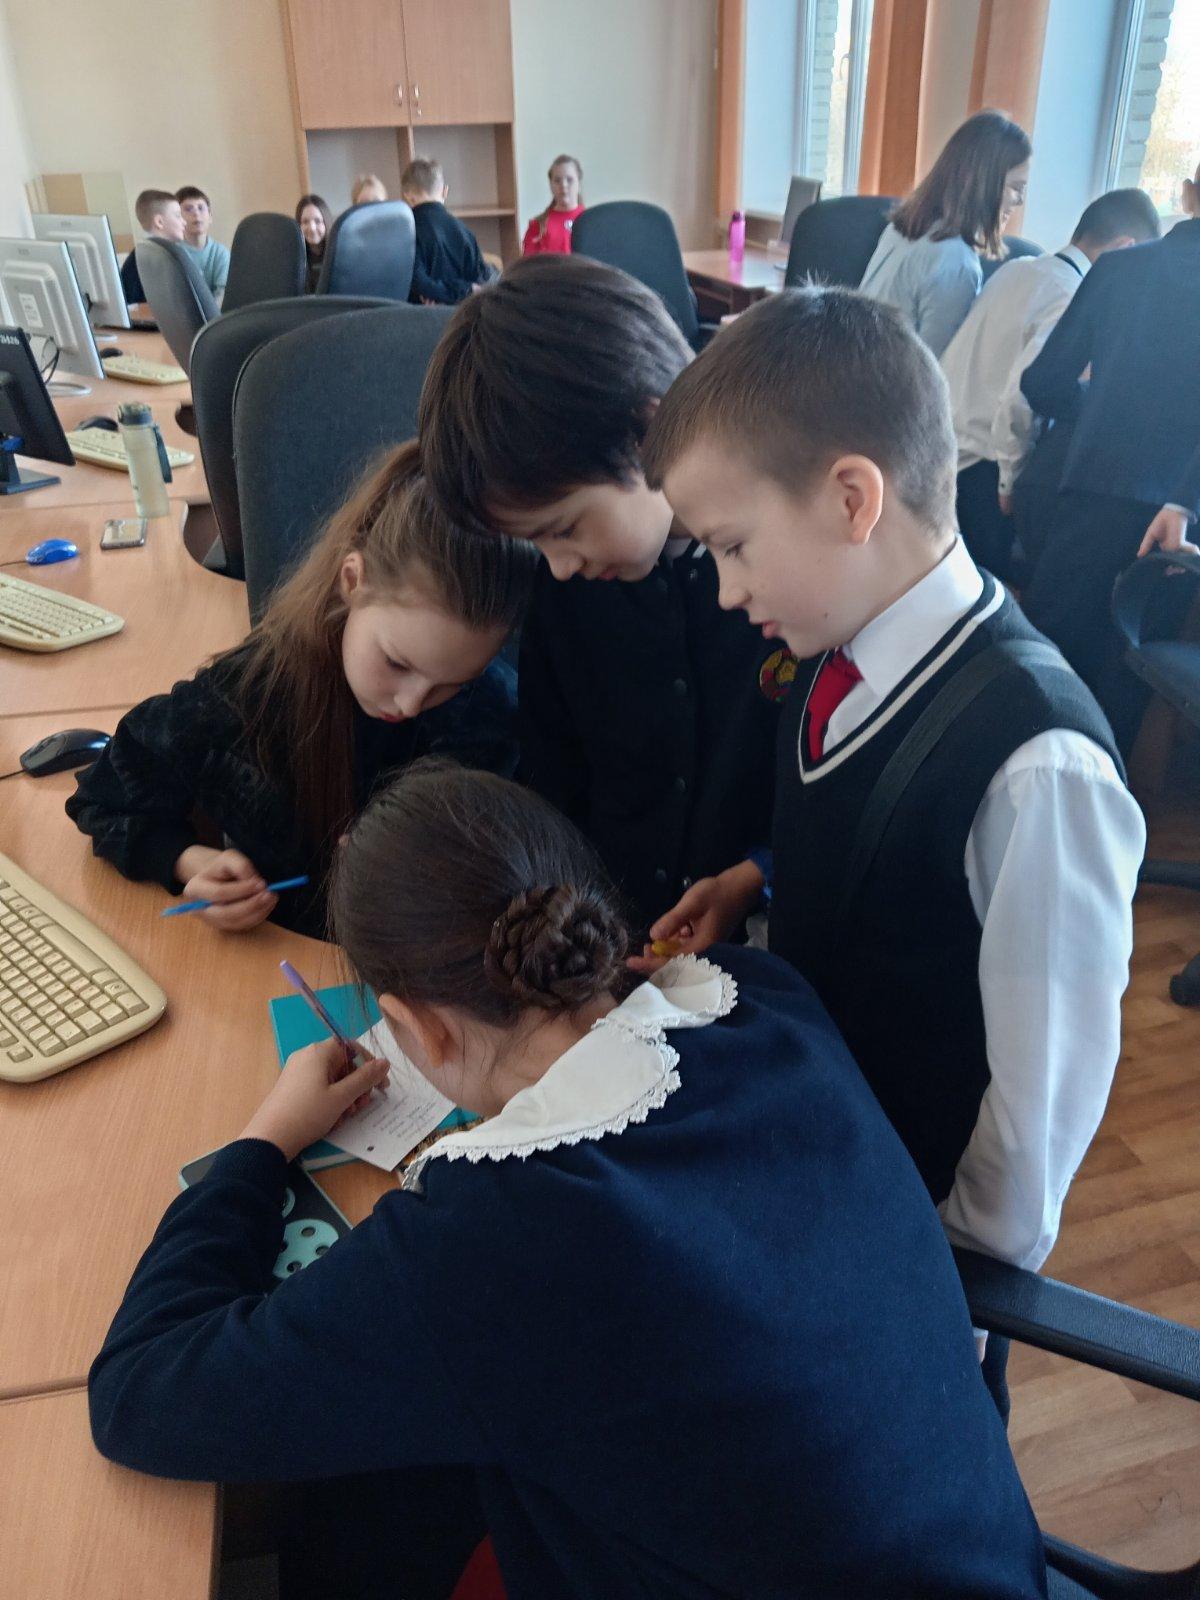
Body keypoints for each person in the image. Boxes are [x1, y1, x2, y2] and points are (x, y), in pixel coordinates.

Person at [89, 761, 1048, 1600]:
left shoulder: (492, 1238)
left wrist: (264, 1140)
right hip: (976, 1553)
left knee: (360, 1500)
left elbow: (141, 1394)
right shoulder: (759, 998)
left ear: (417, 1029)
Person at [640, 288, 1144, 1420]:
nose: (726, 589)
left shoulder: (1037, 764)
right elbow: (882, 849)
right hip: (829, 1167)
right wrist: (756, 878)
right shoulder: (837, 644)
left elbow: (1036, 1118)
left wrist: (942, 1298)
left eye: (733, 547)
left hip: (914, 1266)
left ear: (851, 498)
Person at [418, 256, 783, 933]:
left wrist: (756, 876)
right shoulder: (569, 591)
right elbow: (553, 775)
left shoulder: (791, 578)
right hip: (606, 939)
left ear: (647, 433)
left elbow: (832, 793)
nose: (559, 567)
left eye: (563, 530)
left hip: (767, 941)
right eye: (536, 544)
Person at [66, 443, 534, 939]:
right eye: (397, 664)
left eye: (454, 683)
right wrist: (189, 861)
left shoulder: (493, 713)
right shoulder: (247, 699)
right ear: (352, 581)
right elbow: (105, 799)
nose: (411, 702)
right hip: (284, 960)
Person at [1019, 190, 1200, 752]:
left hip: (1089, 495)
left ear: (1188, 192)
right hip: (1180, 528)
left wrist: (1101, 412)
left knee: (1045, 675)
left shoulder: (1119, 269)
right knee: (1127, 686)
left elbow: (1043, 382)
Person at [942, 187, 1161, 581]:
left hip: (944, 446)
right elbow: (1021, 395)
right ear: (1124, 248)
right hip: (984, 469)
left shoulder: (1019, 267)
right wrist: (1010, 483)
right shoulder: (1070, 296)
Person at [859, 110, 1032, 357]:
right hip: (894, 378)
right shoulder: (956, 264)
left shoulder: (903, 228)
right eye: (1016, 187)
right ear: (983, 184)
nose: (1020, 201)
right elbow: (937, 367)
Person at [400, 158, 494, 305]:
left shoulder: (405, 232)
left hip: (417, 315)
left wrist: (435, 293)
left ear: (406, 195)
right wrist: (465, 290)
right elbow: (480, 281)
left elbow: (417, 282)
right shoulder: (464, 231)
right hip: (463, 315)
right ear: (445, 191)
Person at [119, 188, 186, 308]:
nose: (184, 222)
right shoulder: (161, 258)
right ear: (159, 222)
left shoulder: (144, 253)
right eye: (178, 216)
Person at [175, 184, 231, 302]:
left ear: (210, 217)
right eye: (188, 209)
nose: (196, 213)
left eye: (200, 208)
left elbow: (223, 294)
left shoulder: (221, 253)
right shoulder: (173, 253)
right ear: (178, 219)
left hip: (215, 312)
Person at [521, 153, 584, 255]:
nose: (563, 185)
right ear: (551, 185)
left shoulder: (591, 222)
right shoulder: (538, 225)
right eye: (557, 180)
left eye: (569, 180)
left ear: (579, 184)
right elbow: (529, 263)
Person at [296, 192, 333, 293]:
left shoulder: (338, 255)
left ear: (326, 222)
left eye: (317, 221)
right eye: (305, 222)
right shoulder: (294, 258)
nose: (312, 228)